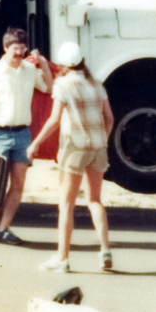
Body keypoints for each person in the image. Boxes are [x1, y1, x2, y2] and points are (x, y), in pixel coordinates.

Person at [26, 42, 114, 273]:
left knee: (66, 204)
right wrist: (102, 140)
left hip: (74, 147)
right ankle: (105, 249)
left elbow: (54, 119)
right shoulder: (96, 84)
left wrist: (36, 143)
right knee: (95, 200)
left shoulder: (62, 85)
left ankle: (62, 259)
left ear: (63, 64)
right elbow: (109, 118)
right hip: (98, 147)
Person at [0, 27, 53, 244]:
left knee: (18, 184)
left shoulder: (29, 70)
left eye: (22, 49)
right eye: (15, 50)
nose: (19, 54)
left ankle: (4, 227)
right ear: (5, 48)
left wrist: (44, 65)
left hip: (22, 134)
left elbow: (49, 88)